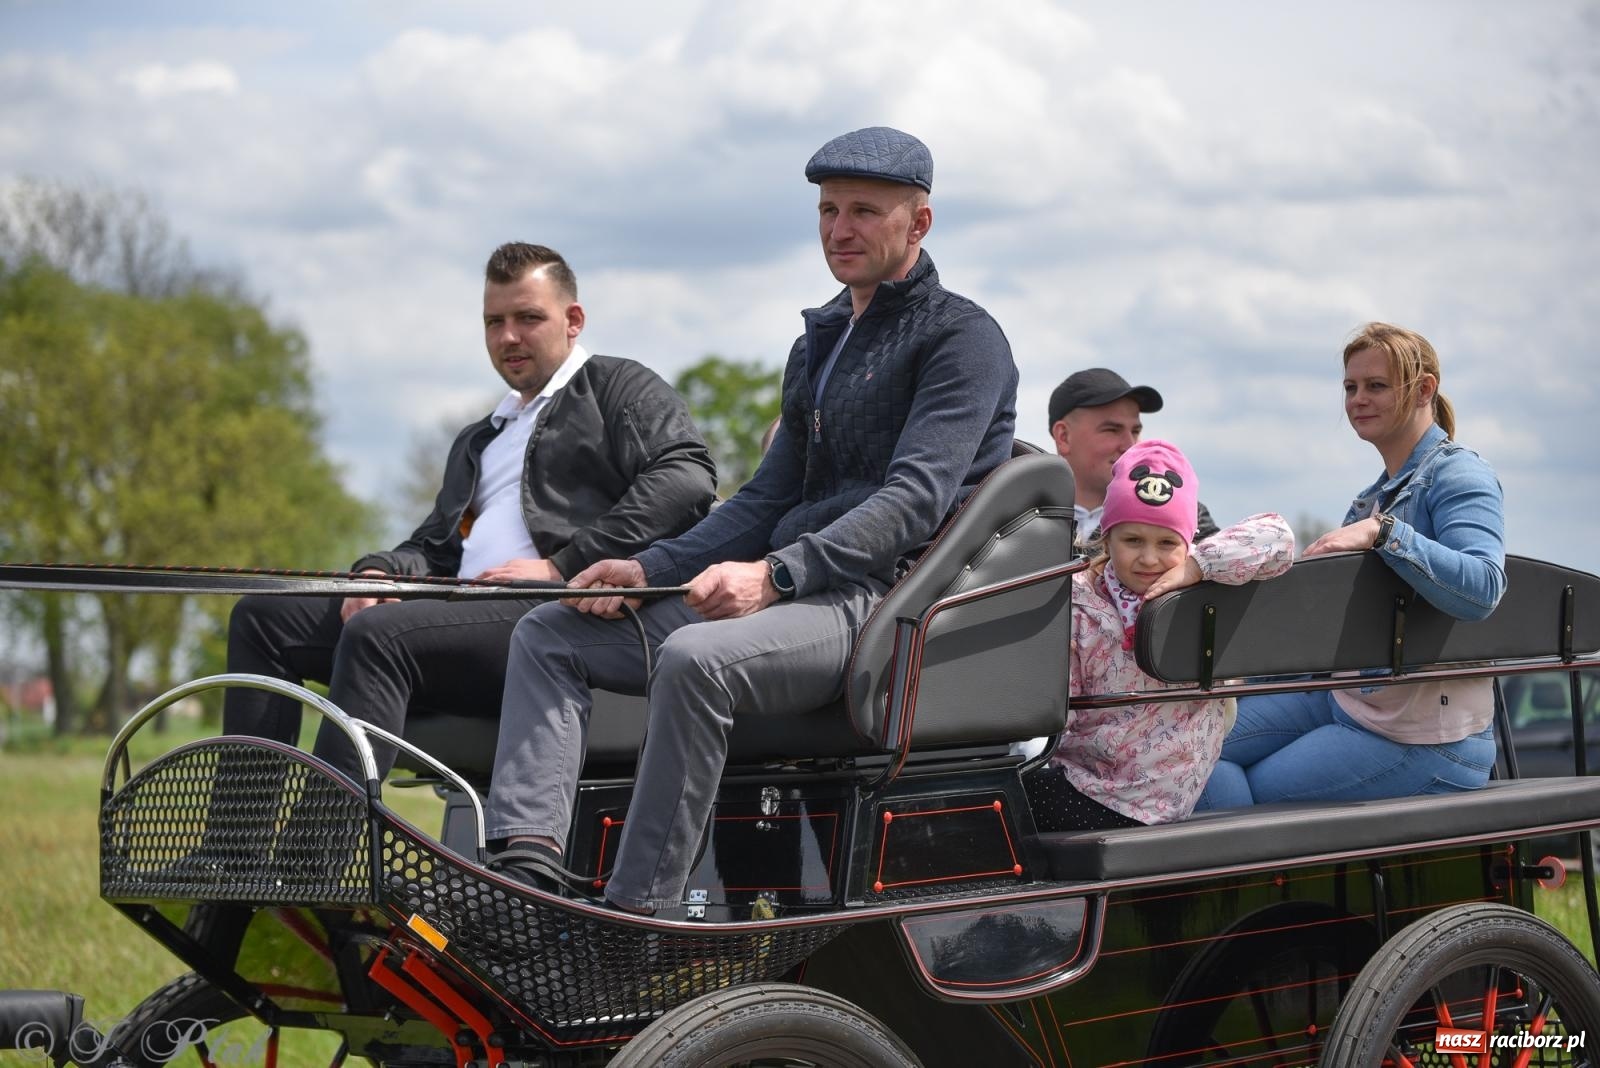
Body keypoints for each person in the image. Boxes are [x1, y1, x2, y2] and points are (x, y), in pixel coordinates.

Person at [482, 126, 1019, 914]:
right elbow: (765, 499)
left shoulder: (962, 339)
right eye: (829, 210)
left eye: (865, 211)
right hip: (799, 593)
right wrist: (649, 569)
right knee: (549, 634)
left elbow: (913, 503)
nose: (840, 229)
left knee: (699, 659)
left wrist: (774, 576)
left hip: (882, 604)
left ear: (920, 224)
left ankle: (636, 916)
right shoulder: (819, 342)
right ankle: (525, 876)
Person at [222, 242, 717, 780]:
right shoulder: (481, 438)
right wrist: (379, 572)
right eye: (494, 321)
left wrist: (563, 566)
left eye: (528, 318)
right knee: (262, 617)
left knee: (379, 634)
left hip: (554, 621)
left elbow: (686, 479)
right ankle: (232, 857)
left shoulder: (619, 387)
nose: (508, 337)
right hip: (452, 617)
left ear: (573, 320)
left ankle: (310, 862)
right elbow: (434, 547)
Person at [1198, 323, 1505, 808]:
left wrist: (1385, 534)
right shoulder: (1374, 496)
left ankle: (1237, 878)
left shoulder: (1458, 473)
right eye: (1350, 387)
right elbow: (1327, 631)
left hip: (1423, 738)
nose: (1358, 399)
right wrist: (1240, 676)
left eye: (1376, 386)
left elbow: (1484, 586)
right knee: (1188, 750)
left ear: (1425, 389)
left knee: (1230, 785)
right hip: (1354, 703)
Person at [1023, 439, 1294, 830]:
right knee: (994, 797)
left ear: (1187, 541)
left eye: (1167, 543)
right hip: (1084, 778)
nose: (1149, 558)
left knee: (996, 811)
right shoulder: (1081, 600)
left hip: (1145, 800)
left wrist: (1196, 567)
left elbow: (1278, 536)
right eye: (1132, 540)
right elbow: (1058, 714)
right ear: (1107, 537)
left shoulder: (1200, 593)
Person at [1048, 368, 1220, 547]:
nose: (1130, 446)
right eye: (1112, 430)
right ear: (1064, 436)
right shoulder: (1022, 513)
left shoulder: (1184, 514)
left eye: (1135, 431)